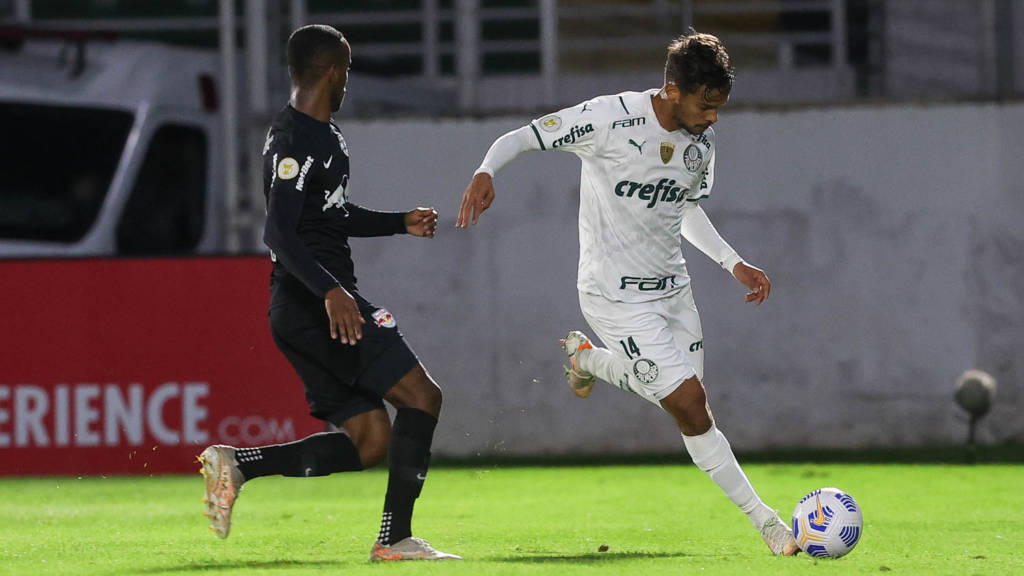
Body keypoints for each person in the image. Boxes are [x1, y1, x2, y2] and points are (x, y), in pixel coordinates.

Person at [456, 30, 799, 556]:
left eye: (719, 108)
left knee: (687, 407)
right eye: (705, 106)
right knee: (692, 405)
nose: (712, 119)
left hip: (673, 291)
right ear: (672, 90)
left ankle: (587, 360)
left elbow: (685, 208)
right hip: (613, 296)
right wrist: (485, 171)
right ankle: (768, 523)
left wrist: (733, 263)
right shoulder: (608, 119)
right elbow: (522, 137)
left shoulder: (701, 144)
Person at [198, 24, 459, 562]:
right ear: (334, 69)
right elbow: (277, 232)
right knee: (423, 397)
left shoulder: (326, 135)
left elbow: (331, 213)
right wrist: (331, 292)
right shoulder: (293, 140)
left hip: (308, 304)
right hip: (314, 303)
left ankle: (239, 464)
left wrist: (397, 222)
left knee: (370, 440)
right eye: (348, 69)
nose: (348, 81)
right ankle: (394, 539)